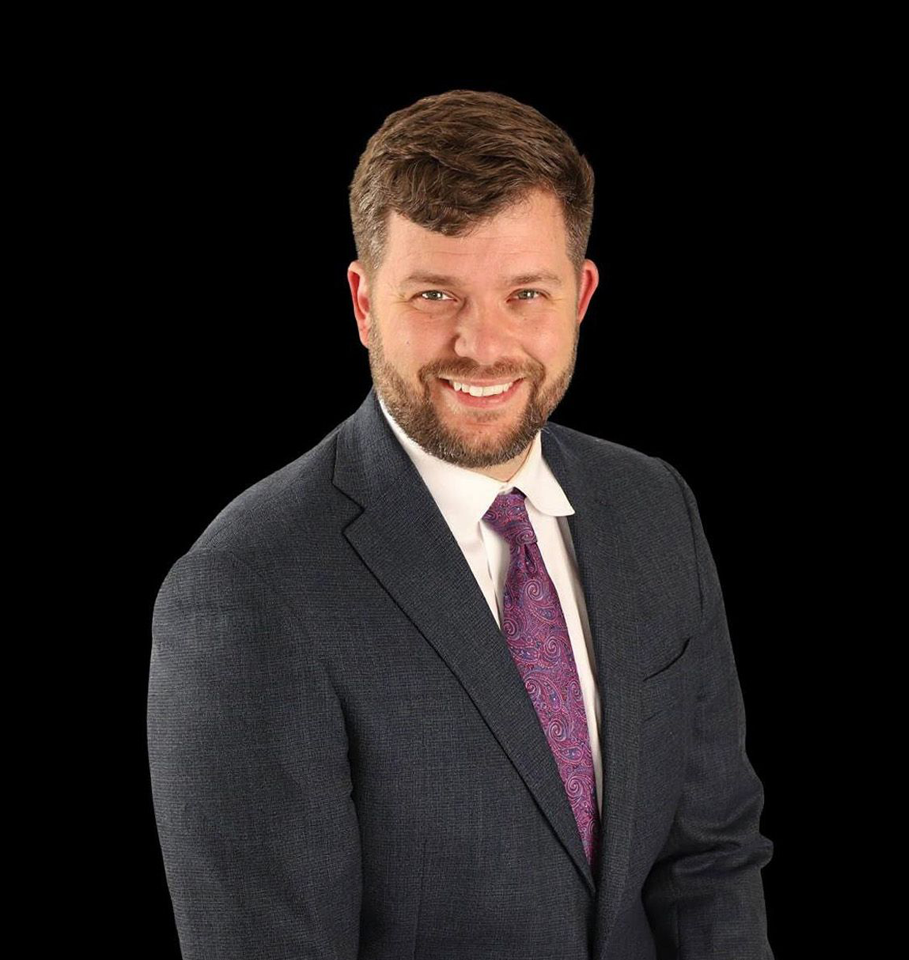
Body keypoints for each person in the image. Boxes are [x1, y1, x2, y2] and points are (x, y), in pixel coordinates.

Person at [147, 89, 774, 959]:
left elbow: (711, 860)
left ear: (581, 293)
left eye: (525, 293)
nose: (483, 345)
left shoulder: (654, 506)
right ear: (364, 303)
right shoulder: (246, 590)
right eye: (436, 294)